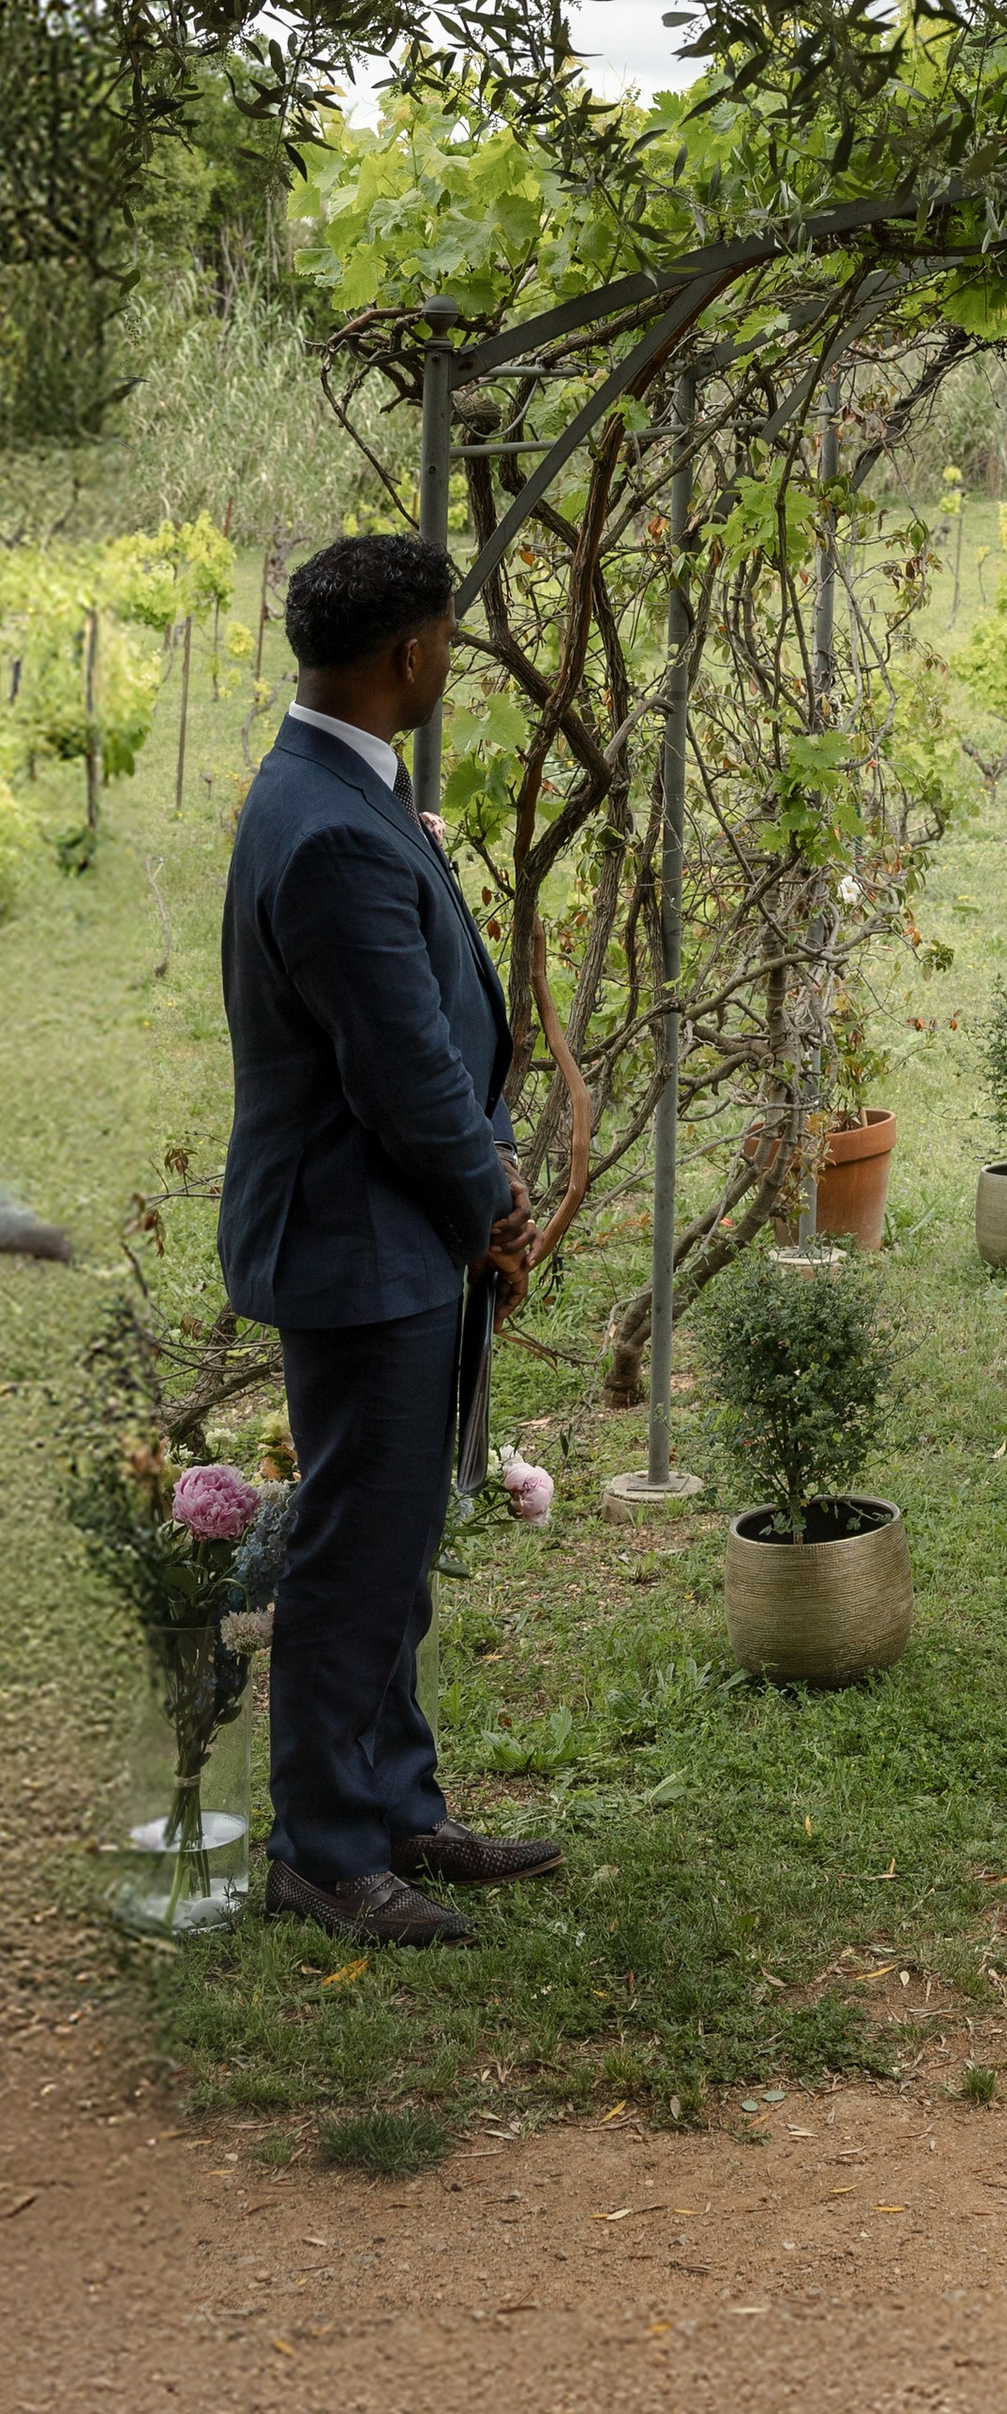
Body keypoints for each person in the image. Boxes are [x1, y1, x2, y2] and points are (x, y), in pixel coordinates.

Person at [219, 533, 563, 1946]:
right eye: (447, 643)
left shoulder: (344, 789)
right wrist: (488, 1203)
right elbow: (404, 1073)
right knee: (359, 1548)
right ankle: (325, 1845)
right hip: (367, 1247)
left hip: (397, 1235)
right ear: (410, 655)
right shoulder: (329, 830)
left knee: (398, 1529)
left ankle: (399, 1805)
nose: (451, 662)